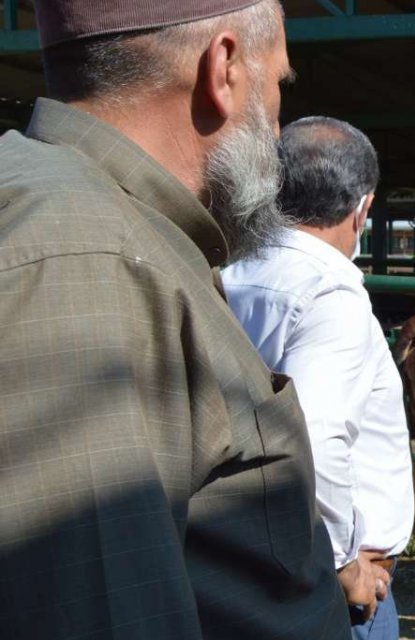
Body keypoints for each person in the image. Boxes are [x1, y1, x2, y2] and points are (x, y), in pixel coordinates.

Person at [0, 1, 350, 639]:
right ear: (224, 69)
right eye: (278, 85)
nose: (278, 128)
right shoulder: (89, 259)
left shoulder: (106, 226)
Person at [223, 117, 415, 639]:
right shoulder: (331, 292)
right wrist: (345, 566)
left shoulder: (227, 274)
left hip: (239, 562)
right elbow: (315, 434)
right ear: (363, 208)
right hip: (329, 586)